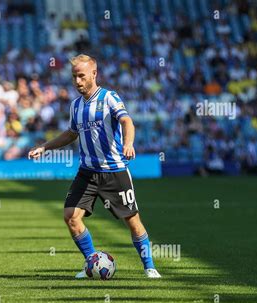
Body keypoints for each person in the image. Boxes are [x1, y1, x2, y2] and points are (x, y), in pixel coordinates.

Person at [28, 54, 161, 278]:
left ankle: (149, 266)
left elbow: (126, 120)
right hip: (87, 172)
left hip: (114, 171)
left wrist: (128, 143)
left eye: (81, 76)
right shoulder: (75, 106)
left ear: (94, 74)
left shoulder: (109, 97)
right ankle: (92, 261)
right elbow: (71, 133)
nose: (77, 81)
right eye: (74, 77)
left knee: (133, 221)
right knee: (71, 217)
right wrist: (45, 147)